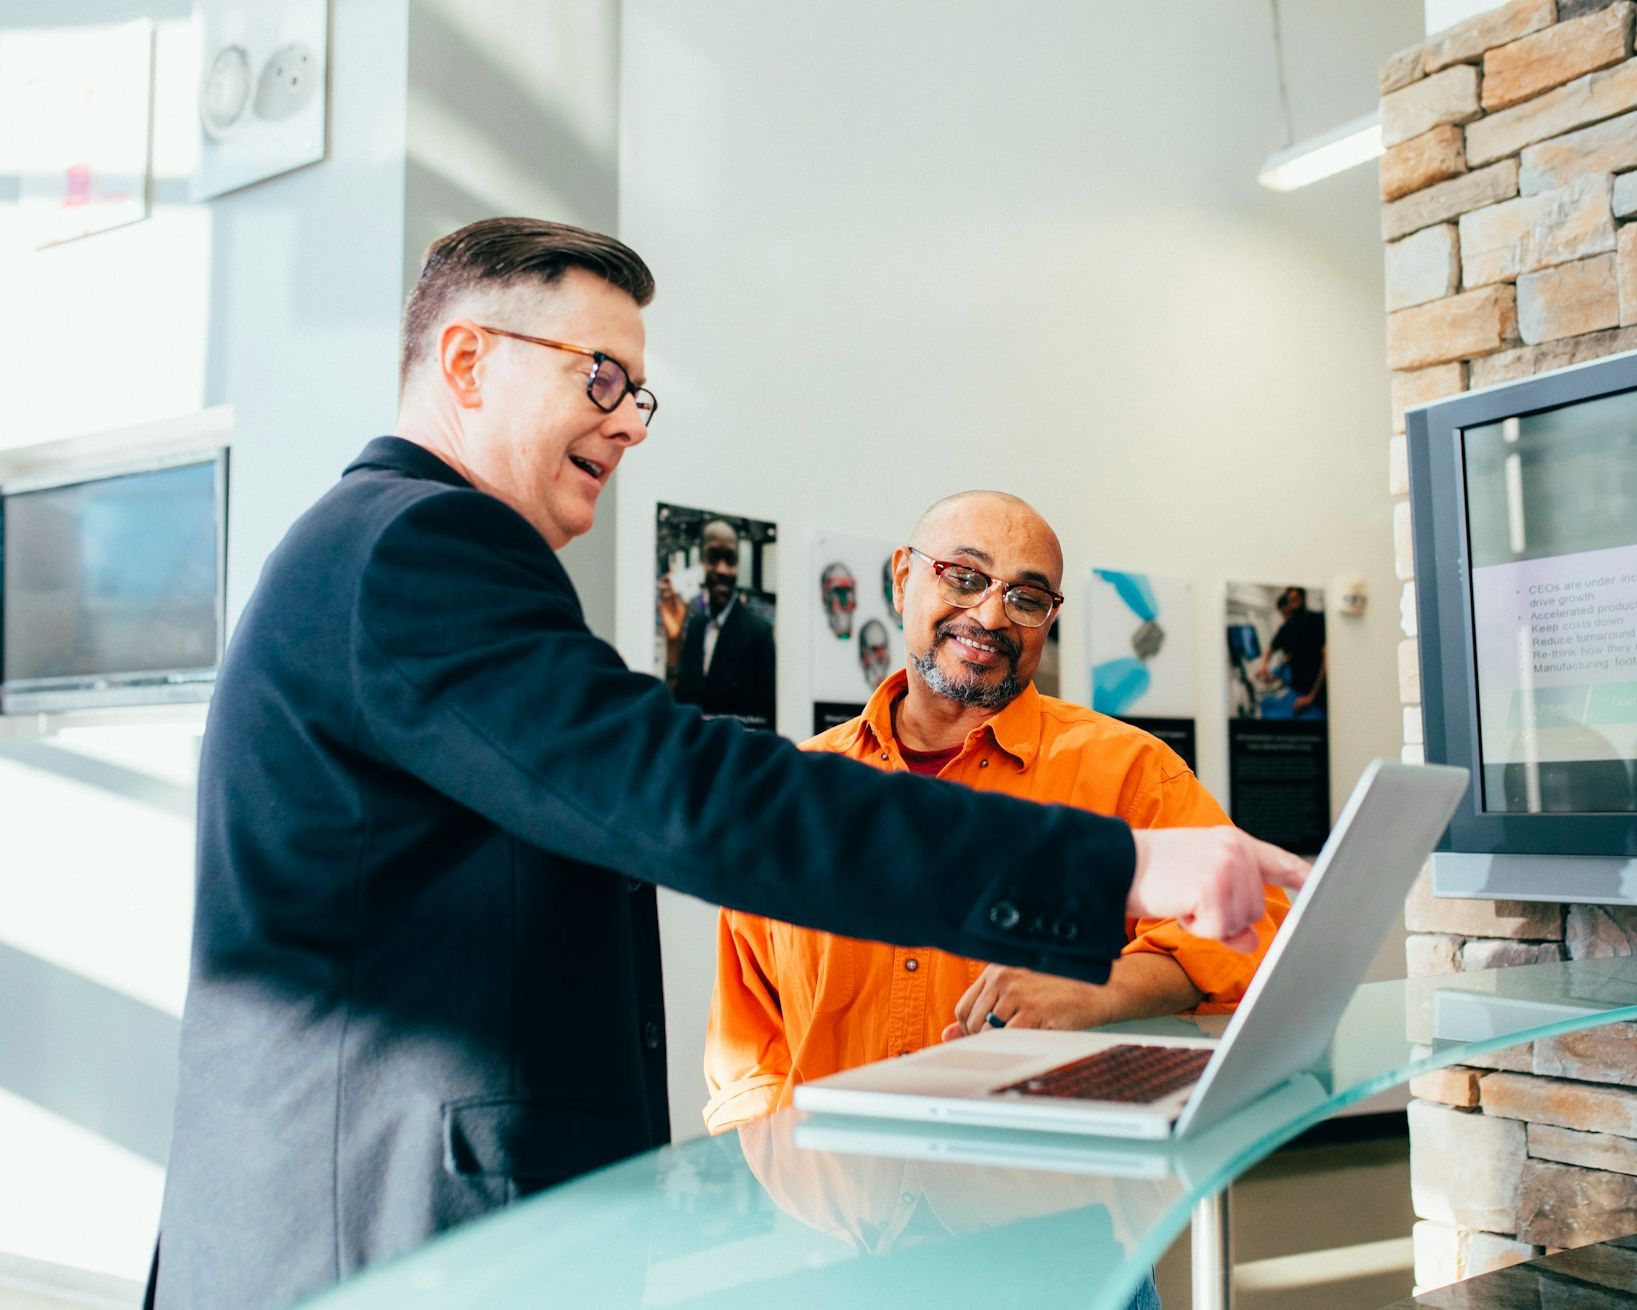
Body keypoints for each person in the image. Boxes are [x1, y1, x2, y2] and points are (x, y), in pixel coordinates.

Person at [147, 218, 1306, 1309]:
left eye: (636, 390)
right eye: (598, 374)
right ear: (464, 361)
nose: (630, 421)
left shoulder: (384, 549)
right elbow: (687, 793)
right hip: (382, 1231)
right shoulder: (417, 545)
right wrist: (1116, 869)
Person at [704, 492, 1289, 1132]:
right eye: (964, 576)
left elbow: (1258, 928)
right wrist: (785, 1189)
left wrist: (1098, 988)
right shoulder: (799, 792)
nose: (990, 614)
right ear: (903, 579)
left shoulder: (1130, 772)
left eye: (1027, 598)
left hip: (1044, 1203)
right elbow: (748, 1047)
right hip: (836, 1208)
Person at [661, 518, 776, 729]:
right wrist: (673, 642)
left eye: (730, 560)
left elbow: (766, 723)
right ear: (702, 562)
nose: (722, 570)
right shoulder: (695, 626)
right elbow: (680, 705)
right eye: (713, 557)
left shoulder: (758, 634)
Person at [1258, 585, 1327, 718]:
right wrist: (1264, 666)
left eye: (1295, 600)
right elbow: (1272, 648)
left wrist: (1311, 697)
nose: (1292, 606)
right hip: (1296, 691)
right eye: (1290, 601)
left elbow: (1327, 660)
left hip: (1316, 696)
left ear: (1303, 599)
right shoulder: (1287, 628)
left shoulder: (1316, 620)